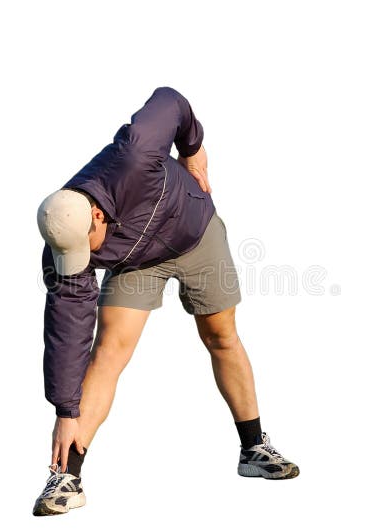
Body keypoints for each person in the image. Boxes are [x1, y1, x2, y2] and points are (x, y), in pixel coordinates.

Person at [32, 87, 299, 516]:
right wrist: (65, 409)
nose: (86, 262)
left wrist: (193, 147)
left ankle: (254, 449)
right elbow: (67, 333)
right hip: (137, 260)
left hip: (194, 234)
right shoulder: (65, 244)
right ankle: (67, 478)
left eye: (87, 248)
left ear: (96, 216)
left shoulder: (135, 154)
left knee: (221, 335)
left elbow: (170, 99)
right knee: (109, 353)